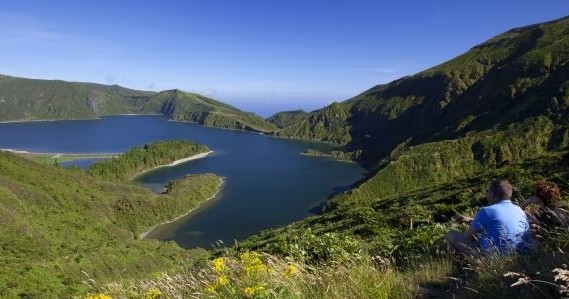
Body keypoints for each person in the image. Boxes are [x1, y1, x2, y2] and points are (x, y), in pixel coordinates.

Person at [446, 180, 531, 256]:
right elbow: (497, 222)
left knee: (451, 234)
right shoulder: (519, 210)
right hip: (520, 254)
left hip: (492, 257)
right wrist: (471, 220)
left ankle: (461, 267)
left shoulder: (486, 211)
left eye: (487, 192)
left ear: (492, 194)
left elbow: (468, 236)